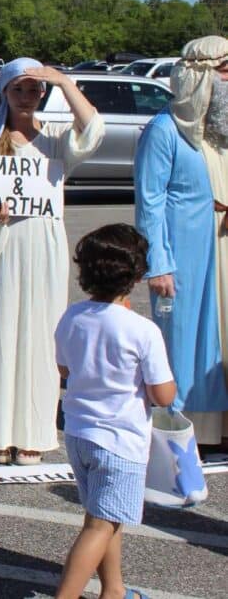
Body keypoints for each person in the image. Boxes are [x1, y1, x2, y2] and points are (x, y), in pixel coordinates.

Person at [0, 58, 104, 465]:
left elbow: (94, 130)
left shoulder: (56, 137)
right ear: (5, 92)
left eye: (34, 89)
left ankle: (34, 432)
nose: (27, 97)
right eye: (19, 89)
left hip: (43, 243)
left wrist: (64, 82)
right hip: (0, 246)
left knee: (41, 334)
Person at [54, 223, 176, 599]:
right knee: (101, 525)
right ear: (136, 276)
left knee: (105, 515)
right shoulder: (142, 330)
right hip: (121, 441)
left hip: (79, 433)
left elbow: (64, 370)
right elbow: (163, 394)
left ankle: (114, 589)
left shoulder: (72, 316)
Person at [133, 35, 228, 446]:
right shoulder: (164, 130)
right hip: (185, 256)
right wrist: (158, 264)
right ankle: (185, 432)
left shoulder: (219, 132)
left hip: (223, 250)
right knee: (186, 341)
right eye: (225, 71)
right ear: (200, 76)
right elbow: (149, 202)